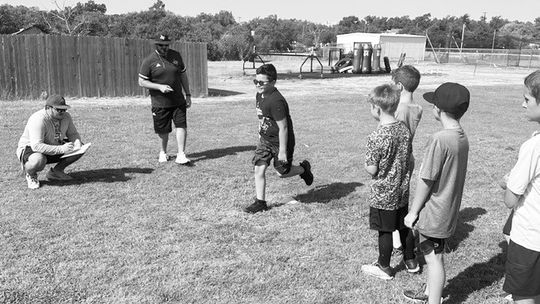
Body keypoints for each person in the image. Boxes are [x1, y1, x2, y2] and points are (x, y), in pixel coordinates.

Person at [403, 82, 470, 304]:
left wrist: (413, 212)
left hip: (435, 212)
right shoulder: (461, 136)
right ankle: (429, 292)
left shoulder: (439, 139)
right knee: (435, 256)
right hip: (448, 209)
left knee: (433, 258)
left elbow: (426, 179)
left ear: (439, 110)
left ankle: (433, 300)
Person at [361, 83, 418, 280]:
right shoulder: (404, 129)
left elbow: (372, 169)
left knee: (385, 230)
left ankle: (384, 266)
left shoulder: (376, 136)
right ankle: (411, 261)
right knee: (403, 225)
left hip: (383, 193)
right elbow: (409, 158)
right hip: (402, 189)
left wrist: (367, 163)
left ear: (376, 108)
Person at [244, 64, 313, 214]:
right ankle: (260, 202)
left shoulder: (276, 101)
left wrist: (282, 152)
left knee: (282, 172)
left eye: (262, 82)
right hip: (265, 139)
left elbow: (284, 128)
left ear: (273, 82)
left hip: (281, 141)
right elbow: (262, 116)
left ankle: (303, 169)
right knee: (259, 168)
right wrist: (260, 132)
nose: (258, 85)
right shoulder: (259, 94)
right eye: (256, 81)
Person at [502, 70, 540, 304]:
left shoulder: (534, 146)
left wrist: (507, 182)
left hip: (530, 239)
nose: (522, 104)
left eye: (527, 99)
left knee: (524, 295)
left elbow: (510, 199)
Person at [138, 34, 192, 165]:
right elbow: (141, 82)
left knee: (181, 125)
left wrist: (188, 94)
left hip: (178, 100)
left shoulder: (176, 56)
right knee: (163, 130)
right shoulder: (149, 60)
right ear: (156, 45)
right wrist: (159, 87)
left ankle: (181, 154)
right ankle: (163, 152)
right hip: (160, 102)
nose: (164, 48)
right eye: (161, 45)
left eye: (166, 45)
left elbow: (183, 76)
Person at [16, 95, 85, 189]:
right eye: (59, 110)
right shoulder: (38, 119)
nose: (62, 112)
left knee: (81, 147)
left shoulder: (66, 117)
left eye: (64, 109)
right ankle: (30, 174)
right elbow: (36, 146)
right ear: (48, 108)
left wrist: (77, 143)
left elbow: (73, 134)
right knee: (39, 160)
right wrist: (61, 149)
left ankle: (56, 172)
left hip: (55, 143)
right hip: (31, 148)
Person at [391, 65, 423, 259]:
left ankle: (398, 242)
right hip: (408, 157)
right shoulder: (417, 108)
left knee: (394, 201)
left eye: (393, 84)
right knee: (401, 197)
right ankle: (399, 239)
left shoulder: (400, 110)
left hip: (397, 158)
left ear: (400, 86)